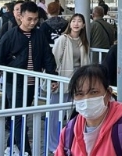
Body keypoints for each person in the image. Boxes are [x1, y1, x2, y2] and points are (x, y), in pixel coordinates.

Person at [0, 1, 57, 156]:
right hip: (14, 81)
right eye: (29, 19)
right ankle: (26, 150)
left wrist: (53, 76)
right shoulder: (10, 36)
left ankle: (11, 146)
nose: (33, 22)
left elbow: (47, 56)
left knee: (22, 115)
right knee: (18, 116)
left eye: (35, 19)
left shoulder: (39, 34)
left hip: (31, 82)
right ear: (20, 17)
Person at [56, 64, 122, 156]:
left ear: (108, 94)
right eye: (79, 94)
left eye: (94, 92)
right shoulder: (68, 133)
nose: (86, 99)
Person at [49, 14, 91, 154]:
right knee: (56, 113)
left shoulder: (83, 41)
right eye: (73, 21)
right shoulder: (63, 39)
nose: (76, 23)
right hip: (63, 79)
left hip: (79, 81)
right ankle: (54, 144)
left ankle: (70, 143)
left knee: (74, 113)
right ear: (70, 23)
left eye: (79, 21)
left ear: (83, 25)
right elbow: (54, 59)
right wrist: (53, 79)